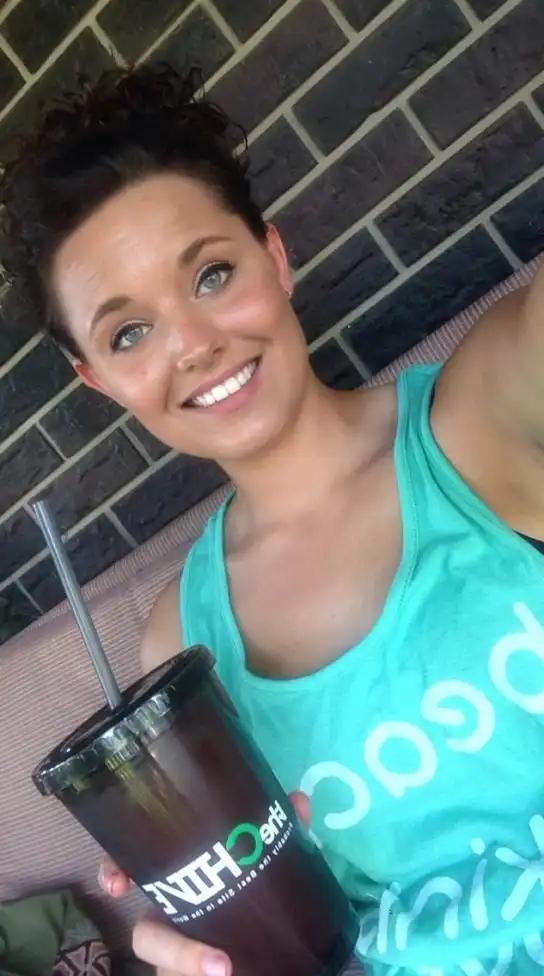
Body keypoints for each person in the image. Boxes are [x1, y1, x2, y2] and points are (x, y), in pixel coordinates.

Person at [2, 63, 544, 976]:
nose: (194, 343)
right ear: (99, 380)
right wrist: (224, 948)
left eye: (212, 274)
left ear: (276, 257)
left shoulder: (487, 413)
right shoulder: (183, 642)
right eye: (129, 333)